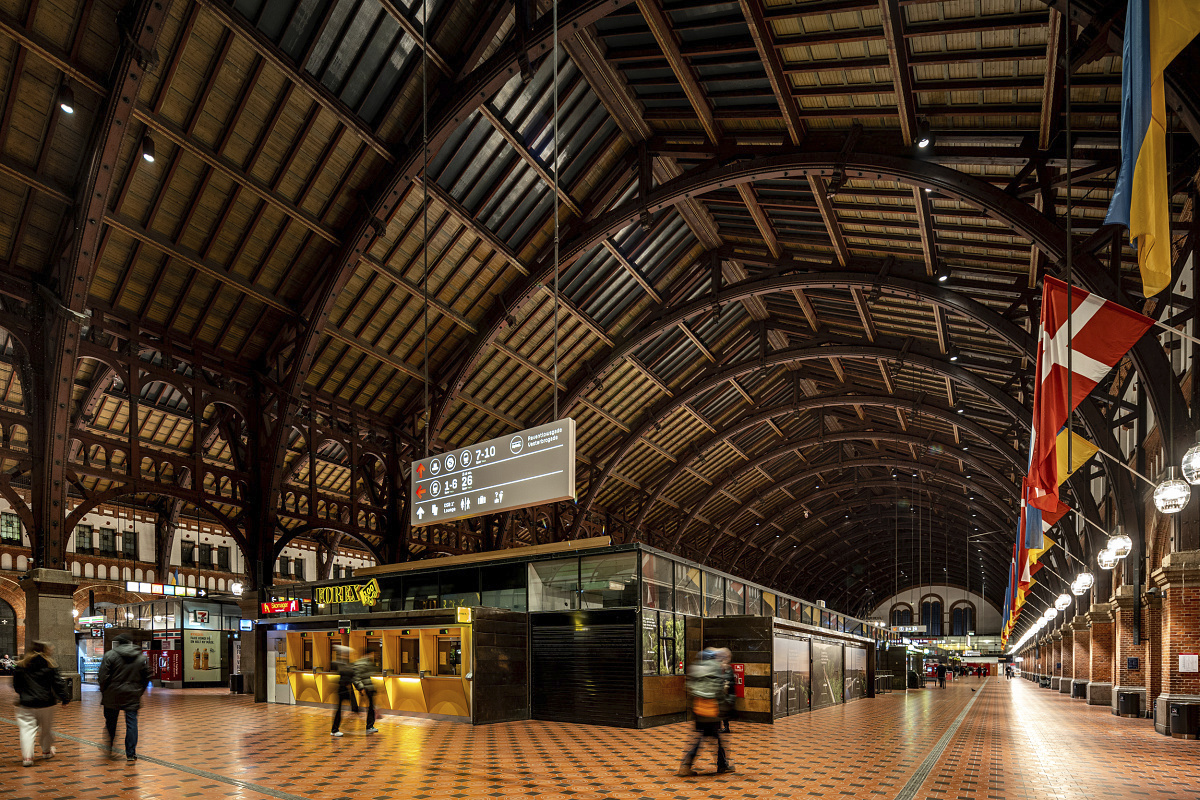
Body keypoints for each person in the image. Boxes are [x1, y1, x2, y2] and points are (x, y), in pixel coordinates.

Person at [12, 641, 70, 767]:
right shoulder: (50, 664)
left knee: (27, 730)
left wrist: (24, 694)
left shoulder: (21, 665)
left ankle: (27, 758)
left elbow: (16, 685)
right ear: (46, 650)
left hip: (26, 703)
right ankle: (46, 751)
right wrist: (65, 698)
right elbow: (58, 683)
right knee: (46, 729)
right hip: (46, 703)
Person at [678, 648, 732, 777]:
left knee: (704, 738)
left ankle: (721, 765)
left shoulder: (696, 667)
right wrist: (724, 706)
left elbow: (689, 686)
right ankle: (721, 765)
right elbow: (719, 690)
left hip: (699, 709)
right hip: (711, 711)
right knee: (713, 739)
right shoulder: (715, 668)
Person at [99, 634, 152, 762]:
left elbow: (102, 676)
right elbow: (147, 676)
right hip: (132, 694)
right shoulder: (140, 657)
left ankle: (110, 746)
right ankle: (130, 753)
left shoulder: (110, 655)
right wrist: (140, 691)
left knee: (111, 722)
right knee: (132, 723)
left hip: (112, 693)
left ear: (118, 643)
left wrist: (104, 691)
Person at [330, 646, 358, 737]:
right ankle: (334, 730)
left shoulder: (346, 663)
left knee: (341, 709)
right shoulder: (341, 663)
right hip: (342, 689)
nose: (346, 655)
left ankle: (335, 729)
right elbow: (348, 673)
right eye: (344, 653)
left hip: (345, 688)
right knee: (339, 710)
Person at [352, 650, 379, 734]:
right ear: (368, 654)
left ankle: (370, 725)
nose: (373, 656)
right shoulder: (362, 663)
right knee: (371, 706)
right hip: (366, 687)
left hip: (367, 687)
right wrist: (361, 688)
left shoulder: (365, 662)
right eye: (372, 654)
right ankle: (369, 726)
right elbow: (356, 677)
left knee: (371, 706)